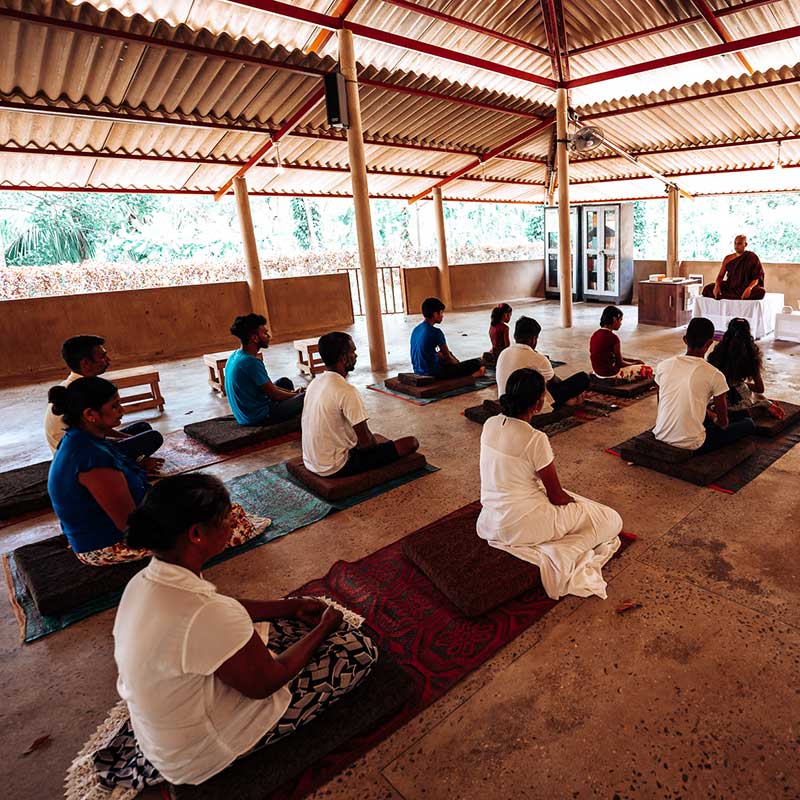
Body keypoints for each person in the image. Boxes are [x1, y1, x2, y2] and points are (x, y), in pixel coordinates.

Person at [111, 473, 377, 787]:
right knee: (357, 651)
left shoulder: (144, 582)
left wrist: (290, 606)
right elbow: (266, 684)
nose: (234, 522)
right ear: (196, 534)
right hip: (196, 754)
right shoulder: (207, 614)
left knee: (281, 629)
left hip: (162, 732)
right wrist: (323, 628)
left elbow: (222, 605)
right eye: (227, 518)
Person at [47, 378, 263, 566]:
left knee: (209, 504)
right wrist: (178, 519)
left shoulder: (83, 440)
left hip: (111, 528)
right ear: (90, 414)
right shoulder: (92, 460)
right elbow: (129, 526)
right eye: (114, 406)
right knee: (231, 520)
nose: (121, 410)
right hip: (107, 545)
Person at [477, 368, 623, 600]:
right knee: (611, 519)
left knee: (578, 505)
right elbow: (556, 496)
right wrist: (574, 504)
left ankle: (560, 540)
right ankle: (563, 552)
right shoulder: (535, 439)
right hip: (524, 525)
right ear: (538, 403)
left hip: (491, 521)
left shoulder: (490, 424)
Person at [302, 332, 419, 477]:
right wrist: (380, 453)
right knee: (411, 443)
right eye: (353, 352)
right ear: (343, 358)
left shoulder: (315, 383)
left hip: (310, 461)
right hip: (335, 466)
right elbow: (366, 442)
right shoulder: (346, 391)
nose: (355, 356)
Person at [44, 334, 163, 462]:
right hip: (83, 456)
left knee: (143, 428)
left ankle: (134, 456)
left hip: (89, 441)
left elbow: (96, 427)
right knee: (153, 437)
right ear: (86, 363)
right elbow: (91, 441)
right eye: (102, 356)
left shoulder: (78, 384)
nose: (108, 359)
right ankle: (134, 462)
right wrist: (124, 440)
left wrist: (125, 438)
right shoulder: (81, 392)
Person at [653, 317, 756, 454]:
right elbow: (723, 423)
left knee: (704, 413)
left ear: (685, 339)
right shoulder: (714, 374)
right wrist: (714, 419)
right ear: (710, 343)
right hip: (693, 443)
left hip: (660, 434)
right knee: (748, 423)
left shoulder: (663, 366)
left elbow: (662, 403)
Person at [225, 314, 305, 426]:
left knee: (284, 382)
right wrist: (296, 395)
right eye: (265, 333)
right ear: (254, 338)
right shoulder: (250, 362)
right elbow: (274, 394)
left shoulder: (235, 355)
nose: (268, 336)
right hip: (259, 417)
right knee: (307, 396)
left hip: (245, 414)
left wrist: (292, 393)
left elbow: (268, 388)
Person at [496, 316, 589, 412]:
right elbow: (556, 382)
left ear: (515, 336)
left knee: (541, 382)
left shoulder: (504, 353)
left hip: (505, 400)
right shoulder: (538, 358)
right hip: (528, 406)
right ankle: (565, 401)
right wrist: (570, 392)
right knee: (583, 378)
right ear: (533, 339)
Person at [707, 317, 785, 421]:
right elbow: (760, 389)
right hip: (739, 402)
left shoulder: (717, 353)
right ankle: (759, 408)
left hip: (719, 399)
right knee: (756, 399)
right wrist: (740, 384)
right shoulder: (751, 356)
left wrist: (733, 383)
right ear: (748, 334)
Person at [410, 297, 484, 379]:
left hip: (418, 371)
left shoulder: (416, 329)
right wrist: (459, 367)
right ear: (435, 314)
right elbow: (448, 357)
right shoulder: (436, 332)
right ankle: (470, 376)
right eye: (441, 313)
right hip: (433, 373)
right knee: (476, 363)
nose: (442, 316)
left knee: (442, 354)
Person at [589, 305, 653, 381]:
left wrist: (634, 360)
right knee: (646, 369)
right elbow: (620, 363)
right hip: (610, 374)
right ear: (614, 319)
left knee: (637, 364)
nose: (621, 323)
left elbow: (614, 358)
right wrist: (635, 364)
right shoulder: (613, 338)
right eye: (620, 320)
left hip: (597, 373)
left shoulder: (595, 334)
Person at [702, 235, 765, 300]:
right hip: (730, 286)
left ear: (745, 244)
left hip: (744, 287)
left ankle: (727, 296)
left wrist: (749, 288)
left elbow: (756, 278)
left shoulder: (752, 257)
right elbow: (720, 276)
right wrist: (717, 286)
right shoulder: (728, 259)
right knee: (707, 289)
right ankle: (737, 296)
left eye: (739, 243)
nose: (736, 246)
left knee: (761, 292)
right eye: (735, 243)